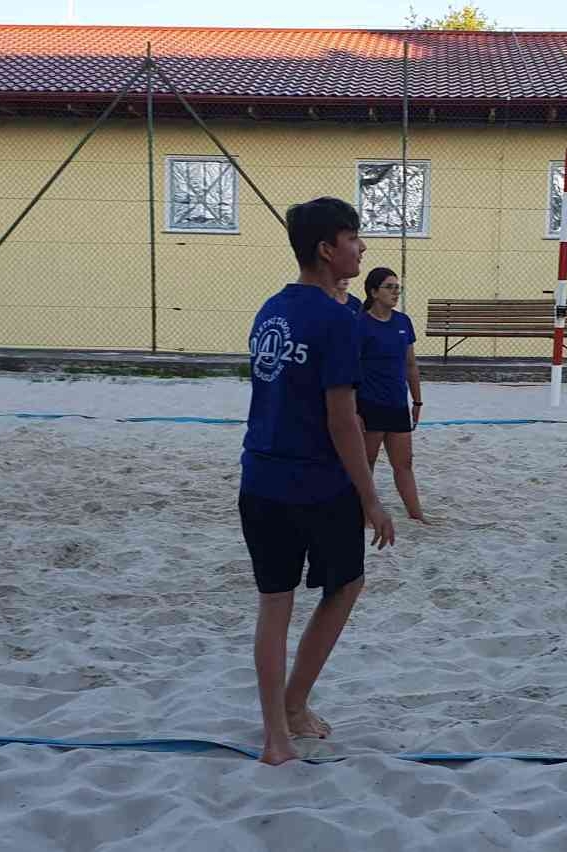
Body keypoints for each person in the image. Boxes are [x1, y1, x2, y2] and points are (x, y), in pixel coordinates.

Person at [241, 196, 395, 765]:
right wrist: (372, 499)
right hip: (316, 485)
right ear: (327, 250)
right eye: (353, 238)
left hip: (259, 478)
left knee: (274, 605)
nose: (362, 247)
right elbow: (342, 420)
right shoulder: (337, 321)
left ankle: (277, 737)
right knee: (346, 585)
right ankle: (293, 704)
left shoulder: (270, 309)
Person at [356, 267, 426, 522]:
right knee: (367, 463)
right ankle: (362, 515)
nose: (396, 292)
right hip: (369, 404)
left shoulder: (403, 322)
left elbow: (411, 365)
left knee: (404, 464)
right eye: (389, 287)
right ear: (374, 292)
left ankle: (417, 516)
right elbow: (349, 369)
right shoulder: (360, 324)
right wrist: (354, 410)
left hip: (397, 404)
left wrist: (417, 400)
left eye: (398, 288)